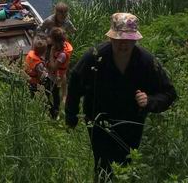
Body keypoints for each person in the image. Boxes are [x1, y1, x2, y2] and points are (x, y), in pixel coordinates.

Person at [65, 13, 176, 180]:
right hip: (98, 122)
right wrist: (71, 115)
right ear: (111, 38)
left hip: (132, 124)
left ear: (135, 40)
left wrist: (150, 101)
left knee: (126, 164)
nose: (123, 44)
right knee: (103, 165)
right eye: (119, 39)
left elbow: (169, 93)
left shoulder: (146, 61)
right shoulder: (95, 57)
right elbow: (75, 82)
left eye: (129, 40)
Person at [48, 26, 74, 106]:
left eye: (51, 39)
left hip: (56, 75)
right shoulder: (63, 45)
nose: (50, 40)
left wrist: (51, 54)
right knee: (64, 78)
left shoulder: (62, 55)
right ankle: (64, 95)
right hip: (62, 71)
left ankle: (57, 106)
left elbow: (53, 67)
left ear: (55, 41)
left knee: (55, 91)